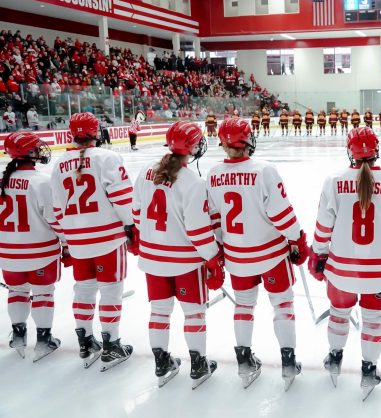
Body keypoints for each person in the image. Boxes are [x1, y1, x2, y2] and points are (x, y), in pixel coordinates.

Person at [308, 127, 381, 400]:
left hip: (341, 270)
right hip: (378, 272)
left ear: (349, 151)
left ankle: (334, 357)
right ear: (376, 151)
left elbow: (323, 226)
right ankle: (368, 369)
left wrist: (318, 254)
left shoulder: (334, 180)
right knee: (374, 321)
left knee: (339, 314)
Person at [206, 118, 309, 391]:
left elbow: (214, 219)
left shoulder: (213, 174)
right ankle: (288, 361)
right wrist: (296, 238)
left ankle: (243, 360)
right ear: (246, 140)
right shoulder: (264, 170)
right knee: (283, 305)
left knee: (243, 306)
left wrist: (220, 250)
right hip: (272, 255)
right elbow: (281, 213)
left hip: (238, 257)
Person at [133, 121, 224, 388]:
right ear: (194, 147)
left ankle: (161, 363)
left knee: (159, 312)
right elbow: (198, 229)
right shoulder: (193, 181)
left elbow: (136, 213)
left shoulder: (146, 170)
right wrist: (212, 258)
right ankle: (198, 364)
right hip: (185, 261)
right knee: (194, 313)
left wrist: (153, 239)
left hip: (152, 258)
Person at [50, 112, 137, 371]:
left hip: (77, 241)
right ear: (96, 132)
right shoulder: (106, 157)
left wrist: (66, 239)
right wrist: (131, 226)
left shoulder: (59, 164)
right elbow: (122, 198)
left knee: (84, 289)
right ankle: (111, 346)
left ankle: (86, 342)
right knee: (111, 290)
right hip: (108, 238)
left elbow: (57, 209)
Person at [1, 132, 64, 361]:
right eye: (36, 148)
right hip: (41, 252)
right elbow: (54, 218)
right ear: (29, 153)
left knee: (17, 292)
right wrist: (66, 244)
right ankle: (44, 340)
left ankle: (18, 335)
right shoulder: (41, 181)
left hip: (8, 253)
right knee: (43, 293)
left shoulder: (2, 181)